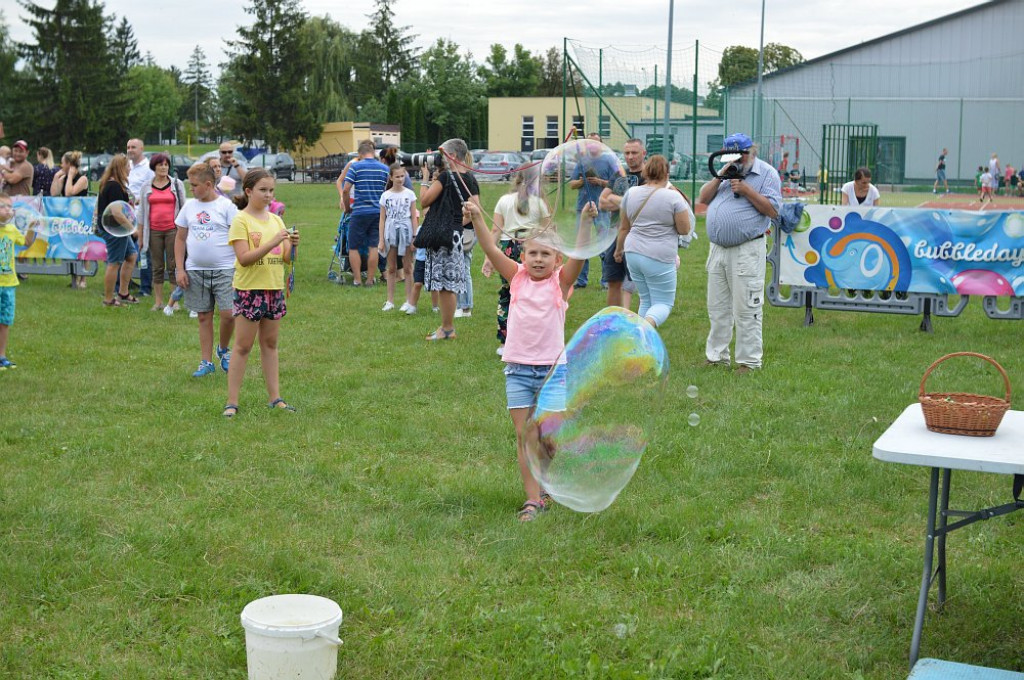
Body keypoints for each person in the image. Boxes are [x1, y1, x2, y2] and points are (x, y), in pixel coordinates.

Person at [464, 199, 588, 522]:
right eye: (532, 253)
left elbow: (578, 260)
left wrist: (586, 224)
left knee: (547, 440)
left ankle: (545, 485)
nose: (537, 259)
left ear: (556, 259)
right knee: (525, 435)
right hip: (518, 371)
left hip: (551, 373)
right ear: (522, 256)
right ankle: (533, 500)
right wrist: (477, 217)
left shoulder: (560, 285)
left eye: (545, 254)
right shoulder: (516, 278)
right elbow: (491, 249)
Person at [698, 132, 781, 374]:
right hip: (718, 250)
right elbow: (703, 198)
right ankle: (716, 356)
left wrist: (747, 191)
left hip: (746, 249)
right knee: (717, 306)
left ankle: (749, 361)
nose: (736, 160)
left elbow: (773, 210)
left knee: (747, 307)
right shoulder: (725, 171)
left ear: (750, 152)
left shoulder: (766, 174)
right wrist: (721, 175)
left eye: (740, 156)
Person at [223, 168, 300, 417]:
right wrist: (273, 242)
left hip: (274, 289)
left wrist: (294, 245)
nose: (269, 195)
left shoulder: (276, 220)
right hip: (249, 290)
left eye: (271, 191)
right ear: (248, 191)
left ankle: (275, 398)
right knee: (243, 346)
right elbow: (244, 258)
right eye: (263, 190)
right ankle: (232, 402)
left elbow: (288, 258)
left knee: (270, 344)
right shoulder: (241, 220)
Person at [174, 161, 239, 377]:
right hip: (196, 271)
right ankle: (206, 361)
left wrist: (239, 267)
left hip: (225, 269)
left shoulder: (226, 207)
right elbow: (180, 238)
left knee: (229, 314)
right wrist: (180, 269)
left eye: (194, 185)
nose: (190, 189)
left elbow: (238, 238)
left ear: (209, 184)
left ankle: (223, 349)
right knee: (204, 316)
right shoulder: (189, 207)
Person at [613, 155, 693, 328]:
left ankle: (641, 342)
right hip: (659, 255)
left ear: (646, 171)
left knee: (646, 300)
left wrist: (618, 250)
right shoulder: (674, 197)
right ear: (667, 173)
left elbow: (624, 227)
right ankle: (645, 326)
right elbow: (684, 229)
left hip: (633, 253)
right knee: (664, 303)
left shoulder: (631, 193)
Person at [418, 138, 481, 340]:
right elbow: (475, 210)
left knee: (445, 285)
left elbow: (425, 201)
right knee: (449, 283)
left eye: (443, 153)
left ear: (452, 156)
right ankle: (447, 327)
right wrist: (457, 224)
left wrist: (426, 179)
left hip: (444, 236)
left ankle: (447, 329)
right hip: (456, 235)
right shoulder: (470, 178)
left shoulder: (446, 178)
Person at [485, 166, 551, 355]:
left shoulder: (504, 200)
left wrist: (490, 258)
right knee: (535, 293)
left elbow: (495, 231)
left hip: (508, 249)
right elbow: (547, 232)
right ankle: (532, 338)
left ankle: (505, 342)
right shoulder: (539, 203)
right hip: (532, 249)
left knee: (508, 293)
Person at [599, 138, 648, 308]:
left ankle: (643, 322)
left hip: (639, 236)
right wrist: (628, 202)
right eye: (627, 153)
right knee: (613, 280)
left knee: (642, 284)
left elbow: (645, 207)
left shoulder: (649, 176)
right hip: (614, 233)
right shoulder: (619, 175)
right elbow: (602, 202)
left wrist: (616, 200)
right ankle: (614, 319)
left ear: (644, 153)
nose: (630, 157)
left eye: (634, 153)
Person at [567, 133, 618, 288]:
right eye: (589, 142)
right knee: (582, 245)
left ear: (601, 144)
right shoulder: (582, 161)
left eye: (596, 142)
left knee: (605, 246)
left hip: (602, 209)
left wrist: (601, 182)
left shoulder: (608, 160)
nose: (592, 145)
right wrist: (582, 181)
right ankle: (580, 280)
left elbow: (616, 183)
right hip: (583, 209)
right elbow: (572, 184)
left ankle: (606, 282)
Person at [138, 153, 187, 312]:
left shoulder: (177, 184)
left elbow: (184, 208)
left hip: (173, 230)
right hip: (153, 231)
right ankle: (158, 301)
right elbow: (141, 213)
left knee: (174, 265)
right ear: (154, 167)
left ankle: (174, 301)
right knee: (157, 266)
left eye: (166, 165)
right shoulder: (146, 186)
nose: (163, 167)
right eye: (160, 165)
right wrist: (140, 236)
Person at [343, 140, 389, 287]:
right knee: (373, 247)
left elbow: (346, 189)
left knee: (353, 247)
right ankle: (370, 280)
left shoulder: (355, 166)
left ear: (360, 154)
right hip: (377, 213)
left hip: (359, 211)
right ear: (373, 152)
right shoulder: (384, 169)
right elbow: (386, 190)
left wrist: (347, 207)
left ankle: (357, 279)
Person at [96, 154, 140, 307]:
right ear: (121, 167)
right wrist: (133, 229)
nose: (129, 169)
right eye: (128, 166)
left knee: (131, 255)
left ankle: (123, 292)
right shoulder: (114, 186)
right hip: (115, 229)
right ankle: (108, 300)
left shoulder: (112, 184)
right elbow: (116, 212)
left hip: (118, 229)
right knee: (114, 263)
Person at [0, 194, 36, 369]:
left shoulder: (12, 230)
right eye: (3, 206)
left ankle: (2, 356)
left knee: (5, 321)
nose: (9, 209)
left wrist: (32, 228)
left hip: (9, 284)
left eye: (10, 206)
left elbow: (27, 242)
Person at [377, 163, 418, 312]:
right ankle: (390, 301)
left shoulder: (410, 194)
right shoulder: (385, 195)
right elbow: (382, 219)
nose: (400, 179)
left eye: (402, 176)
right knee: (392, 267)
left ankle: (409, 301)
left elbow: (414, 217)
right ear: (391, 177)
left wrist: (414, 237)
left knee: (407, 267)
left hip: (406, 232)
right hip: (390, 233)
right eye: (397, 176)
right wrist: (381, 240)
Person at [51, 151, 92, 289]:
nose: (61, 165)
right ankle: (74, 278)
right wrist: (57, 178)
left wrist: (69, 177)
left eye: (63, 162)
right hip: (68, 217)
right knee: (71, 248)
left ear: (69, 164)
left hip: (81, 217)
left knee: (83, 248)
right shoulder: (64, 176)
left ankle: (83, 278)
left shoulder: (82, 179)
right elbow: (54, 193)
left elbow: (69, 193)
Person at [126, 138, 154, 296]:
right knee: (126, 253)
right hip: (126, 217)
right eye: (128, 147)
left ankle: (145, 289)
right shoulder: (127, 166)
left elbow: (151, 191)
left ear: (142, 149)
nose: (130, 150)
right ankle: (125, 283)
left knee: (143, 253)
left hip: (142, 217)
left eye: (134, 147)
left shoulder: (148, 168)